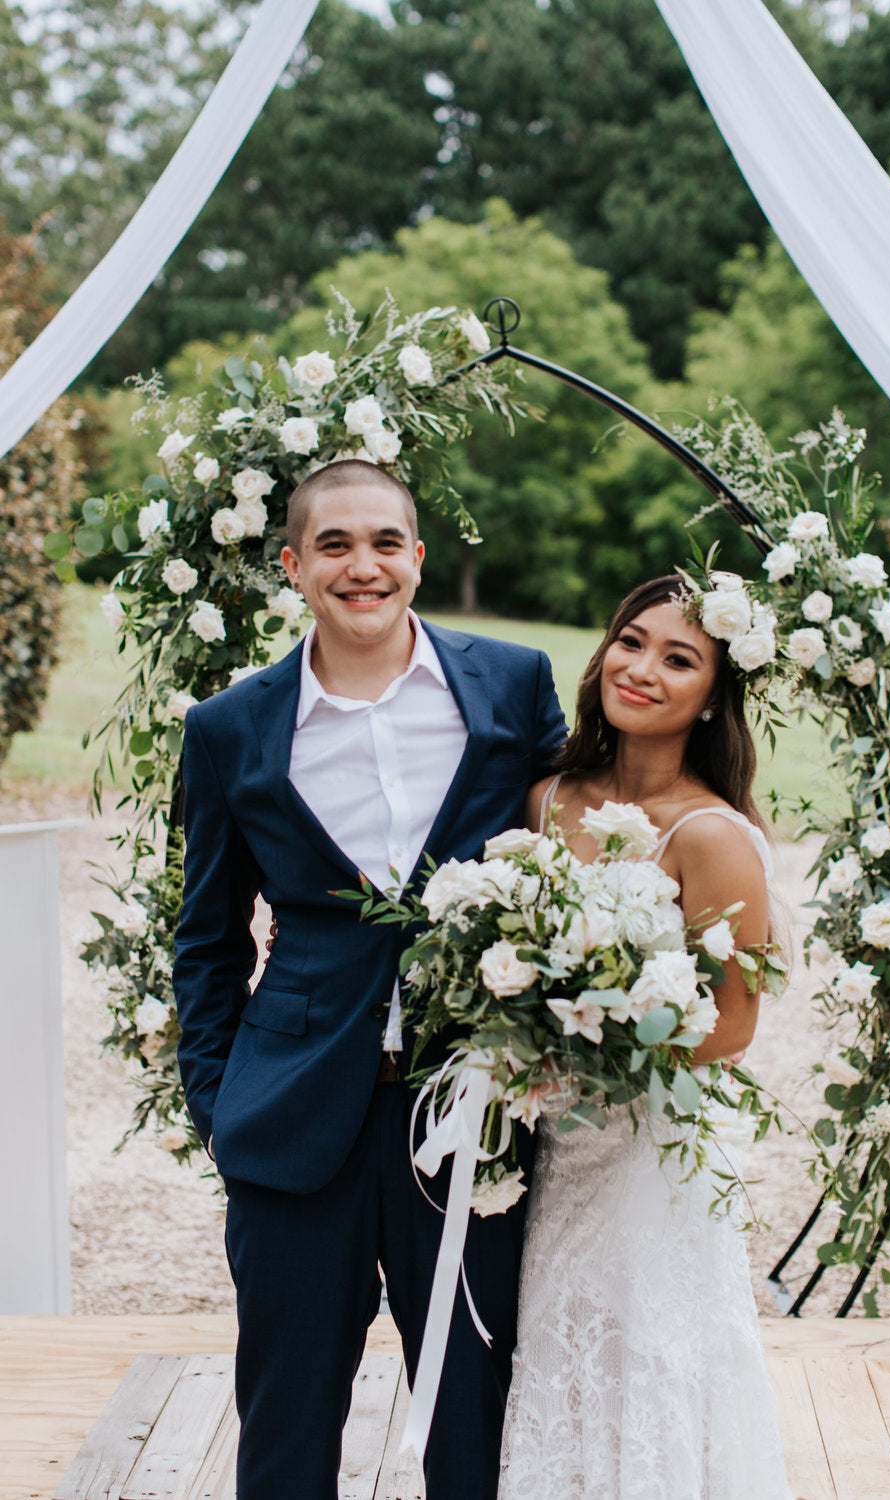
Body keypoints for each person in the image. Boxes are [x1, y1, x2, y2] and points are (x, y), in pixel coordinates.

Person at [172, 460, 566, 1500]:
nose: (364, 566)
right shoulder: (229, 729)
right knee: (288, 1423)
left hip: (471, 1119)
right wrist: (217, 1107)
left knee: (472, 1412)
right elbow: (206, 941)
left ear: (418, 558)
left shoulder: (513, 688)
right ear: (294, 564)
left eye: (386, 542)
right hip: (292, 1123)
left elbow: (583, 849)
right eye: (335, 545)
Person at [498, 574, 792, 1499]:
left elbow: (733, 1025)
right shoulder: (547, 800)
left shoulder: (712, 835)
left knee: (651, 1356)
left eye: (680, 659)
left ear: (713, 699)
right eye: (631, 642)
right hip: (552, 1144)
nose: (643, 669)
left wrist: (589, 1052)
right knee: (556, 1345)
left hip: (650, 1153)